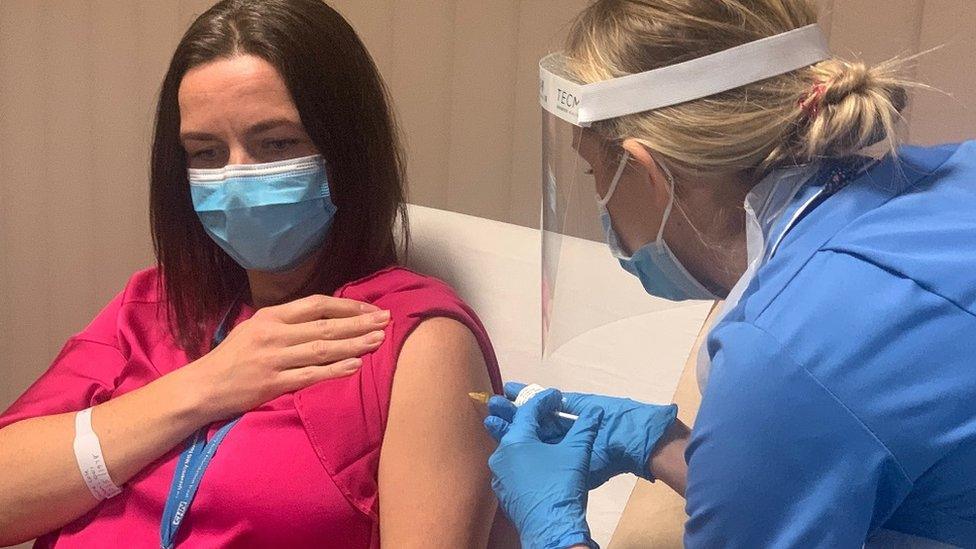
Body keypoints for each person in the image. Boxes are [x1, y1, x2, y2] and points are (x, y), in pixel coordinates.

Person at [0, 1, 504, 547]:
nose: (236, 178)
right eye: (207, 151)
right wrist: (206, 386)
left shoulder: (408, 342)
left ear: (347, 151)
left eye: (276, 144)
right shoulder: (154, 304)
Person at [484, 1, 976, 548]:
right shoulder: (958, 176)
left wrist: (554, 533)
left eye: (594, 171)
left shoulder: (786, 354)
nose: (599, 197)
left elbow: (814, 398)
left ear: (646, 170)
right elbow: (844, 459)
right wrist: (663, 444)